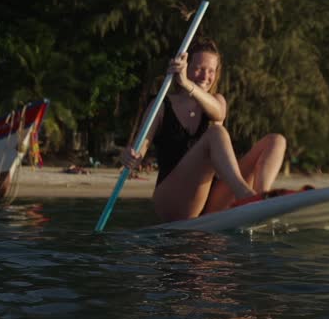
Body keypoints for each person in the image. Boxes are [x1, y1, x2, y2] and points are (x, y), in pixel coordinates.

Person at [121, 40, 286, 222]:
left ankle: (262, 199)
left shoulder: (217, 102)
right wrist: (131, 157)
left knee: (276, 140)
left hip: (208, 198)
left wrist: (187, 85)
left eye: (211, 71)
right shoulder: (160, 105)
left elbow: (219, 113)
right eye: (199, 68)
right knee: (216, 134)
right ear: (184, 67)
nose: (205, 76)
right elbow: (140, 149)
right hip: (172, 199)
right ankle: (248, 197)